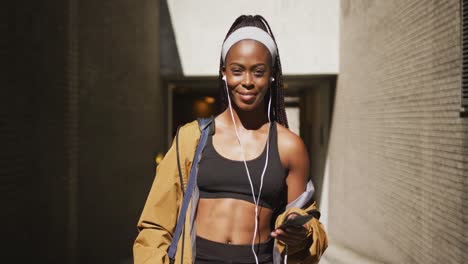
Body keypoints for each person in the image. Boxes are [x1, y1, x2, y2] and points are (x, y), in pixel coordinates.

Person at [133, 15, 328, 264]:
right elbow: (155, 223)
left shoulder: (289, 146)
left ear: (271, 76)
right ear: (224, 73)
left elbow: (309, 227)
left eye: (258, 72)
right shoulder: (191, 138)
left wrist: (301, 234)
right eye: (237, 71)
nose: (247, 81)